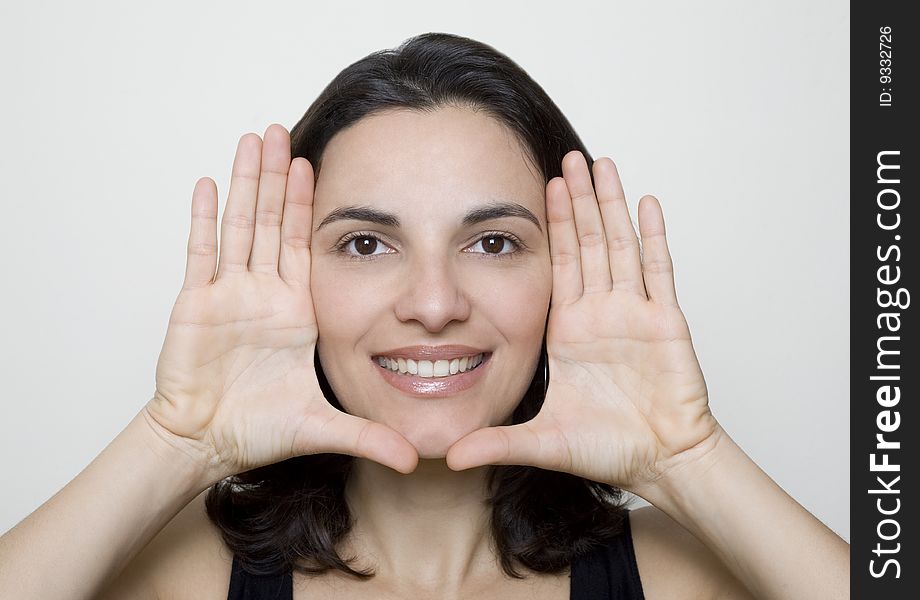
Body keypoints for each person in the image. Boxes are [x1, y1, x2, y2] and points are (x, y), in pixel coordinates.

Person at [0, 32, 848, 600]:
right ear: (293, 275)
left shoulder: (677, 577)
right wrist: (175, 440)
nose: (435, 305)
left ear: (570, 273)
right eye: (367, 245)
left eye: (494, 244)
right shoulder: (181, 575)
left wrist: (689, 456)